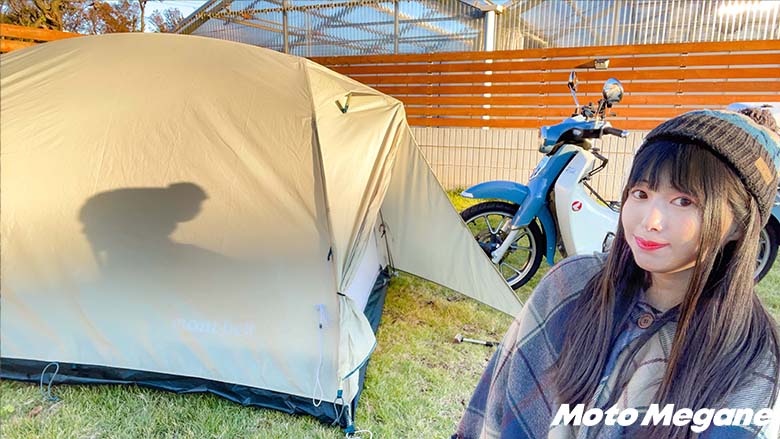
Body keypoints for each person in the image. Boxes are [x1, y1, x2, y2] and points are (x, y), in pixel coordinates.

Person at [453, 110, 780, 439]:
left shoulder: (752, 361)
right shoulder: (571, 284)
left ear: (739, 225)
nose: (650, 220)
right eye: (641, 193)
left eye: (684, 201)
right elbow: (492, 408)